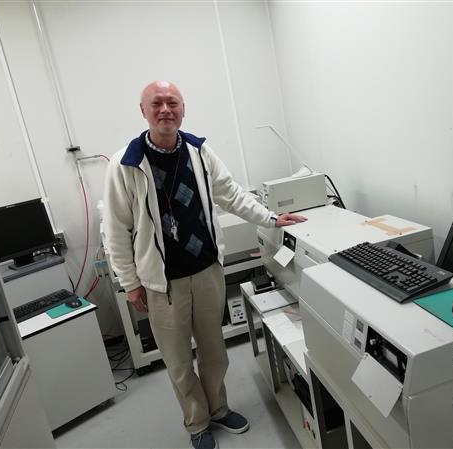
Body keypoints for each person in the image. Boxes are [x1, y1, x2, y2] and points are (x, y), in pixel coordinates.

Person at [104, 80, 307, 449]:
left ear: (183, 109)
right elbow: (116, 228)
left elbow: (231, 194)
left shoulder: (199, 151)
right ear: (143, 110)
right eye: (157, 103)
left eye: (173, 103)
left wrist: (271, 218)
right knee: (178, 360)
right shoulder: (126, 164)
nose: (165, 110)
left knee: (214, 351)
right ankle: (197, 422)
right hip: (162, 283)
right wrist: (130, 282)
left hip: (207, 271)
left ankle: (218, 409)